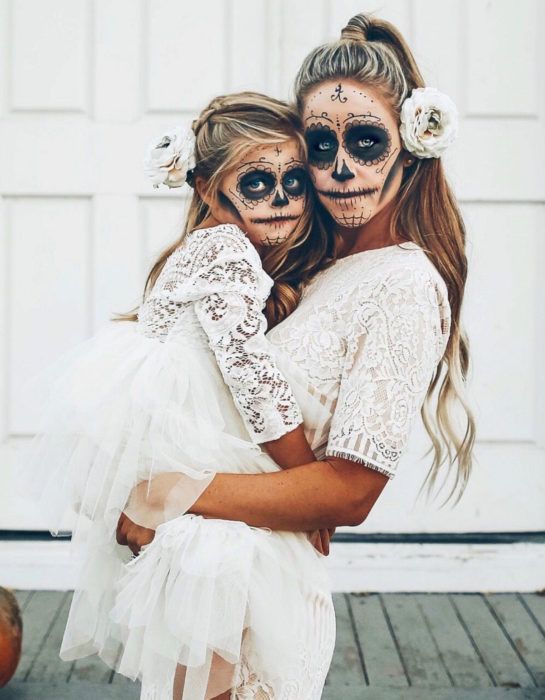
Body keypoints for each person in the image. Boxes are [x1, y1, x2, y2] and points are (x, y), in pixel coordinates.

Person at [117, 12, 476, 700]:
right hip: (215, 578)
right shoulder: (309, 265)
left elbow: (351, 490)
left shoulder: (402, 284)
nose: (341, 169)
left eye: (366, 142)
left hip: (260, 594)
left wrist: (172, 494)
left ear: (409, 145)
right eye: (320, 144)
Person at [19, 93, 337, 700]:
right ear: (207, 185)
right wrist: (308, 488)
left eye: (295, 181)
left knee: (210, 620)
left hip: (181, 444)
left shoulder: (218, 247)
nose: (281, 199)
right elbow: (252, 379)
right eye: (258, 182)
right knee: (221, 595)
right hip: (191, 441)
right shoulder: (226, 250)